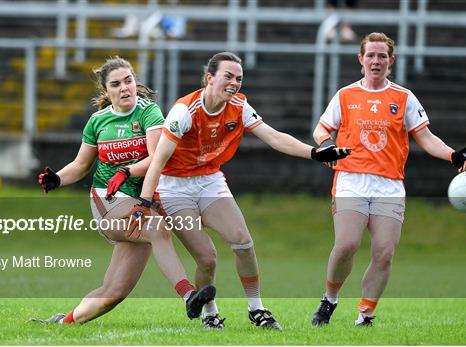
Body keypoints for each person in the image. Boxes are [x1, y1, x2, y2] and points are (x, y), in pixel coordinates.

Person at [106, 52, 351, 329]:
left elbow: (273, 137)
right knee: (207, 258)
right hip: (174, 187)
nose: (234, 83)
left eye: (239, 78)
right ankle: (210, 314)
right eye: (228, 76)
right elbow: (159, 160)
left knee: (243, 241)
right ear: (209, 78)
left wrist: (315, 153)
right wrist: (146, 202)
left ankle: (257, 309)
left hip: (209, 181)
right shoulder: (184, 111)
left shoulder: (239, 106)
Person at [32, 56, 215, 324]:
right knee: (157, 228)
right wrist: (57, 179)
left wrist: (127, 171)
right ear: (106, 91)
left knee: (114, 292)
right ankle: (189, 296)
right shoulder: (98, 121)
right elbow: (81, 165)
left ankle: (65, 321)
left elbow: (157, 157)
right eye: (116, 84)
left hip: (141, 203)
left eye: (128, 81)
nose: (124, 88)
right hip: (109, 202)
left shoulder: (148, 111)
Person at [310, 32, 466, 327]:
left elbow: (424, 136)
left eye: (382, 56)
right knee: (346, 244)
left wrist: (452, 155)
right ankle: (329, 300)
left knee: (384, 252)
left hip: (389, 184)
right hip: (351, 179)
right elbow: (321, 129)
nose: (376, 61)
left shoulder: (403, 97)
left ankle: (365, 314)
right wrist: (325, 145)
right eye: (370, 55)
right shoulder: (346, 95)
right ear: (361, 59)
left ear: (391, 61)